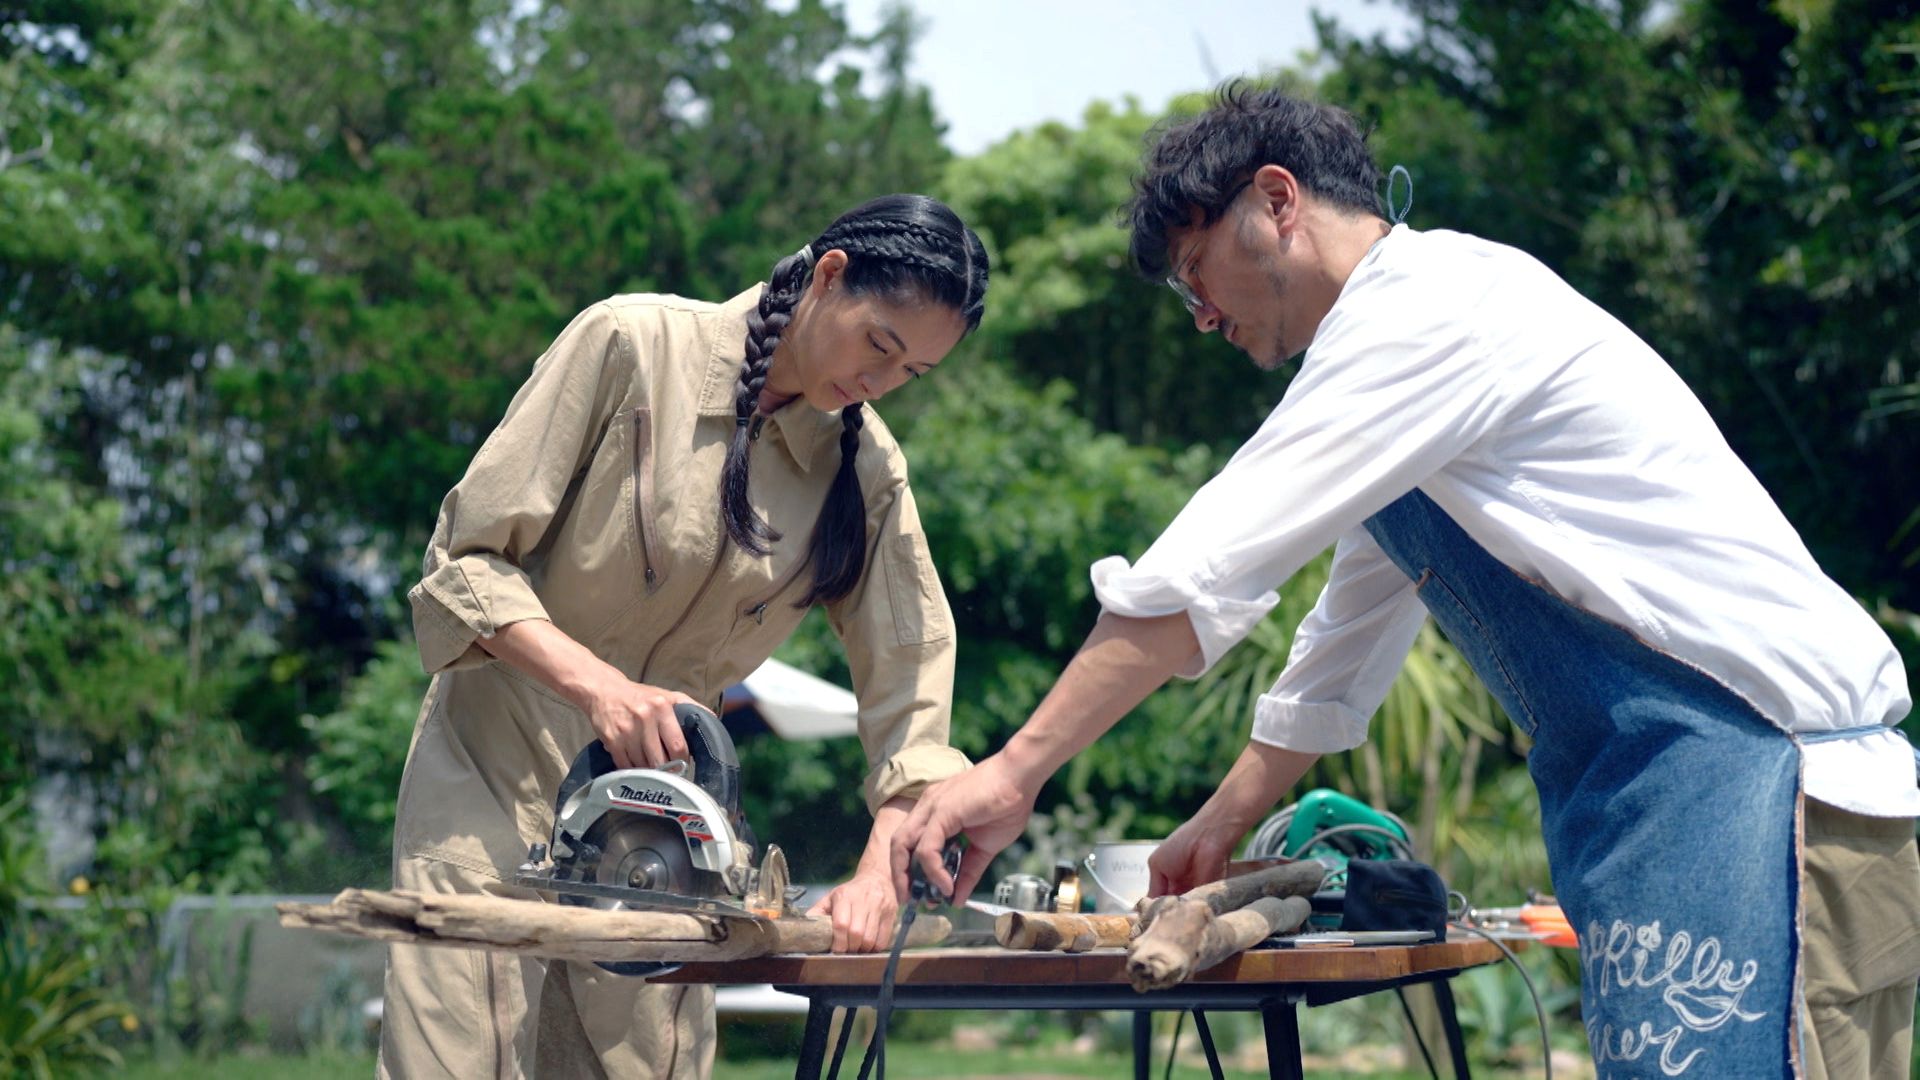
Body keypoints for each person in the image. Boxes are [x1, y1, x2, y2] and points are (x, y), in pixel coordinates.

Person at [890, 85, 1920, 1079]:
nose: (1200, 316)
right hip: (1735, 798)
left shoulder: (1429, 315)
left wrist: (1013, 770)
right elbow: (1346, 636)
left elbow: (1206, 564)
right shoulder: (1414, 359)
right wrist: (1219, 823)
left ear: (1278, 202)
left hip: (1762, 793)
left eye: (1197, 272)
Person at [380, 194, 989, 1079]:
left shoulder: (866, 470)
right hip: (488, 771)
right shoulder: (630, 344)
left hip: (661, 831)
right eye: (880, 346)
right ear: (828, 276)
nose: (881, 382)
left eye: (911, 373)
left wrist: (879, 865)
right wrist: (599, 687)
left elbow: (913, 672)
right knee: (454, 1059)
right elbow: (464, 561)